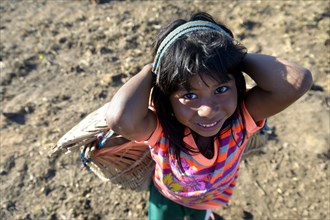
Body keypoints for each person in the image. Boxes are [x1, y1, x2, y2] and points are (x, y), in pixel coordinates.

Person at [105, 12, 312, 220]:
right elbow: (119, 118)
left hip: (207, 200)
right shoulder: (162, 130)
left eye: (221, 89)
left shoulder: (241, 118)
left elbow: (297, 82)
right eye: (190, 95)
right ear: (167, 98)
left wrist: (233, 58)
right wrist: (152, 70)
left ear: (237, 86)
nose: (207, 110)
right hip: (166, 195)